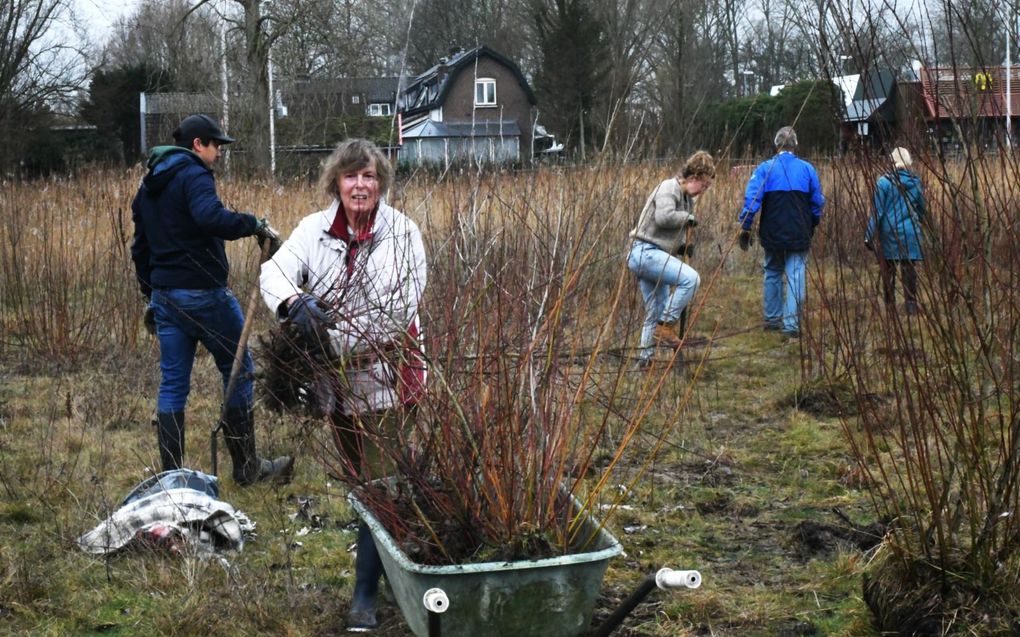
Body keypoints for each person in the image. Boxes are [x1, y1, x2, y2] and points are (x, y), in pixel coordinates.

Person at [259, 138, 427, 632]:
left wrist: (328, 343)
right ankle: (404, 559)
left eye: (370, 176)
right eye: (352, 176)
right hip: (337, 387)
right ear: (336, 180)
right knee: (369, 482)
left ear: (382, 184)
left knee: (376, 486)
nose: (361, 185)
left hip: (389, 378)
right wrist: (293, 305)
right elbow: (274, 272)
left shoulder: (402, 234)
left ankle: (364, 597)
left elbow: (399, 311)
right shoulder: (314, 230)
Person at [131, 113, 293, 485]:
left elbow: (140, 248)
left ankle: (171, 479)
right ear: (197, 145)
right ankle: (247, 468)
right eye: (215, 145)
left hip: (166, 298)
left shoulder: (148, 186)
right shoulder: (193, 174)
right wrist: (252, 224)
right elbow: (209, 217)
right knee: (239, 367)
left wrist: (149, 295)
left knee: (173, 383)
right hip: (204, 295)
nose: (219, 153)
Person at [627, 150, 715, 367]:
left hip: (655, 254)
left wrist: (682, 247)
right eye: (703, 185)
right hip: (643, 253)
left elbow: (665, 233)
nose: (702, 191)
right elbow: (664, 217)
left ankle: (643, 361)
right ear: (693, 177)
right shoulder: (669, 188)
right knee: (691, 279)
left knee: (655, 311)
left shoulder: (686, 199)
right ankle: (665, 326)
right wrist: (689, 218)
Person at [737, 126, 825, 338]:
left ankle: (772, 319)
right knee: (796, 274)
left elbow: (752, 198)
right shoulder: (807, 169)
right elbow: (817, 201)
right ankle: (791, 325)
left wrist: (746, 225)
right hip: (799, 229)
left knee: (772, 271)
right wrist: (813, 222)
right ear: (795, 145)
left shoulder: (765, 168)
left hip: (773, 229)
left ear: (776, 145)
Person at [865, 147, 926, 315]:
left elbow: (877, 212)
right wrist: (919, 220)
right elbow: (921, 208)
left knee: (889, 268)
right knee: (909, 268)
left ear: (892, 161)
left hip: (889, 232)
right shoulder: (915, 182)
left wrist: (868, 235)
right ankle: (911, 305)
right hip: (910, 231)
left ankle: (890, 307)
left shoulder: (883, 183)